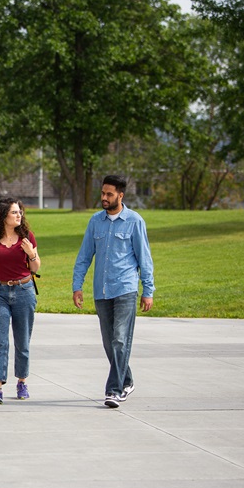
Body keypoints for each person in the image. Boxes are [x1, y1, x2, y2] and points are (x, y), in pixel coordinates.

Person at [72, 175, 154, 408]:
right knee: (110, 343)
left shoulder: (134, 221)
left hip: (126, 289)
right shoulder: (95, 222)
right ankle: (126, 380)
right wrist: (77, 286)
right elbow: (84, 257)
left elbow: (144, 259)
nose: (104, 198)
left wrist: (148, 290)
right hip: (102, 291)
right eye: (103, 193)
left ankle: (114, 390)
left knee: (120, 339)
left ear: (121, 195)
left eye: (109, 194)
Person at [0, 198, 41, 404]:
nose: (19, 216)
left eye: (20, 212)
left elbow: (35, 268)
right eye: (14, 212)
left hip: (24, 290)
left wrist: (31, 254)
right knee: (0, 341)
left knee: (22, 341)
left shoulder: (27, 237)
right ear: (4, 216)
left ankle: (22, 381)